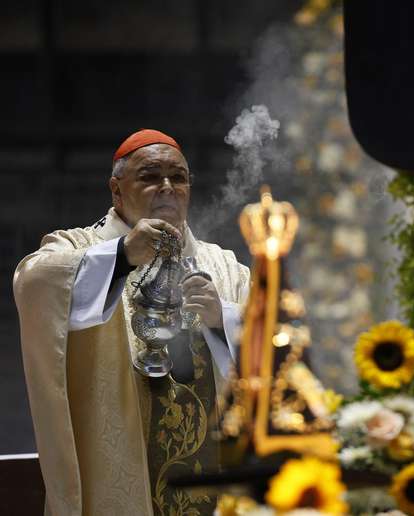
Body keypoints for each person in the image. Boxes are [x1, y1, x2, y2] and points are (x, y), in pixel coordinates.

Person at [14, 129, 250, 515]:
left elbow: (273, 343)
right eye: (150, 176)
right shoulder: (80, 249)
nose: (167, 187)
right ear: (116, 189)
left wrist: (222, 317)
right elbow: (33, 282)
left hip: (214, 479)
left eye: (178, 177)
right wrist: (122, 256)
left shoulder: (222, 267)